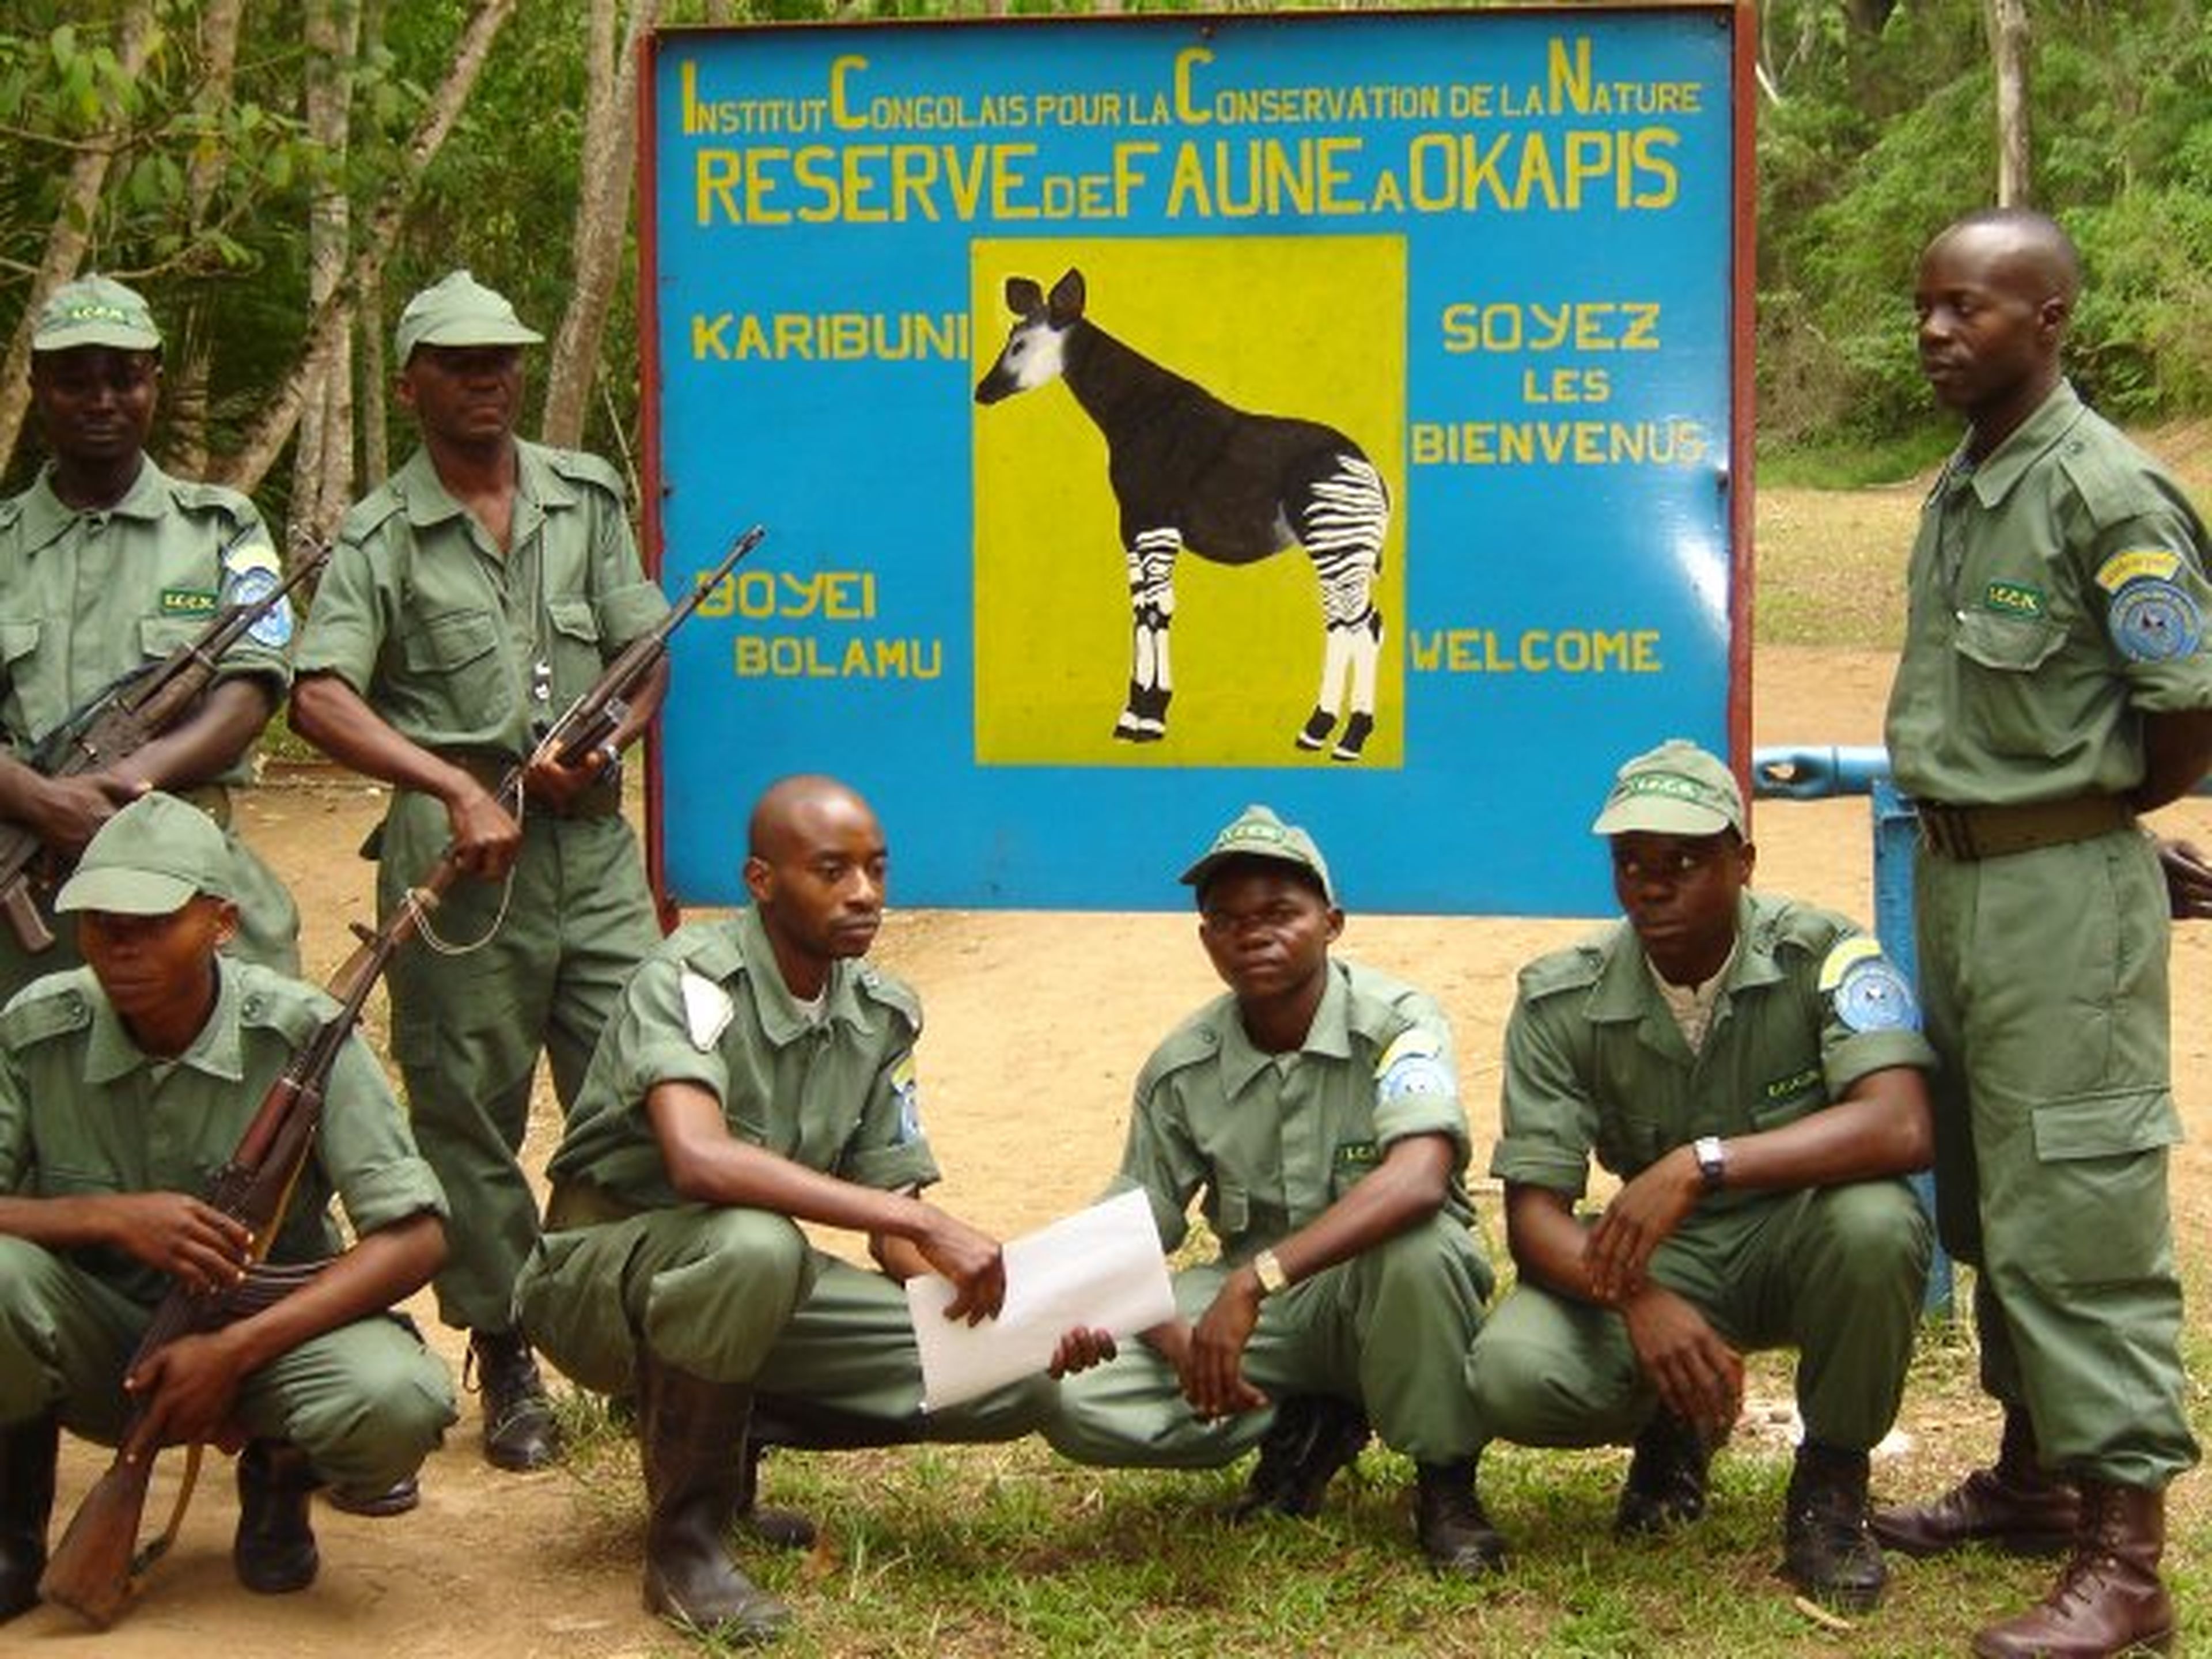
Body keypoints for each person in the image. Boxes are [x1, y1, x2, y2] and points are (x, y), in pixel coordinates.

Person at [1874, 207, 2211, 1659]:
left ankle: (2126, 1556)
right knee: (1983, 1187)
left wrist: (2082, 834)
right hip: (1957, 889)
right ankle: (2030, 1472)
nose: (1938, 332)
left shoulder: (2105, 491)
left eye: (1970, 310)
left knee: (2075, 1197)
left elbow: (2180, 724)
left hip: (2054, 898)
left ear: (2052, 319)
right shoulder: (1966, 477)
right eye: (1926, 308)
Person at [513, 775, 1064, 1643]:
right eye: (832, 871)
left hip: (741, 1287)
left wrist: (1009, 1308)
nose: (865, 894)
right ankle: (685, 1546)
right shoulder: (690, 979)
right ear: (761, 880)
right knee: (757, 1246)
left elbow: (895, 1219)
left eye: (877, 870)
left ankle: (725, 1433)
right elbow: (698, 1159)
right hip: (599, 1282)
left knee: (1006, 1374)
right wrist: (923, 1224)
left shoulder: (878, 1013)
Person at [289, 269, 670, 1474]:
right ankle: (504, 1349)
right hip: (461, 867)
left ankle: (631, 1344)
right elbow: (319, 695)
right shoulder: (381, 532)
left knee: (645, 1085)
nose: (488, 377)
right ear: (410, 385)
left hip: (592, 850)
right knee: (468, 1111)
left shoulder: (584, 495)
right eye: (458, 362)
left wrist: (609, 737)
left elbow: (646, 646)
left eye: (502, 357)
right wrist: (453, 783)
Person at [1467, 740, 1935, 1610]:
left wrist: (1703, 1163)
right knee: (1513, 1371)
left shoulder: (1823, 951)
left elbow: (1902, 1122)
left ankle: (1832, 1482)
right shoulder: (1559, 997)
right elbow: (1534, 1223)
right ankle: (1674, 1425)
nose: (1653, 884)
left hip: (1793, 1240)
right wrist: (1639, 1301)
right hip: (1663, 1260)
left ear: (1744, 861)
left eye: (1685, 860)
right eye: (1631, 861)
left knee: (1875, 1223)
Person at [0, 791, 453, 1618]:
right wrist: (110, 1217)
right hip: (105, 1343)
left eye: (150, 923)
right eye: (101, 923)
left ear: (222, 923)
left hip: (267, 1348)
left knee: (397, 1399)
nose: (119, 948)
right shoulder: (38, 1029)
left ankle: (277, 1477)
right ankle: (12, 1528)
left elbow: (416, 1239)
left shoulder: (303, 1035)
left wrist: (234, 1352)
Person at [1042, 804, 1501, 1578]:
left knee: (1419, 1251)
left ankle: (1446, 1484)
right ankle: (1301, 1421)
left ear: (1333, 922)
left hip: (1375, 1293)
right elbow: (1128, 1231)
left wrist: (1259, 1279)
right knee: (1077, 1400)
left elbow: (1420, 1180)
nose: (1253, 933)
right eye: (1227, 919)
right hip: (1270, 1318)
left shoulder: (1398, 1023)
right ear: (1206, 940)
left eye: (1280, 913)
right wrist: (1173, 1340)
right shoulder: (1183, 1066)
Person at [0, 274, 301, 1008]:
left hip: (189, 880)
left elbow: (250, 688)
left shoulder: (223, 527)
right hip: (29, 889)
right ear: (38, 386)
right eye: (76, 381)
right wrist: (43, 801)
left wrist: (124, 789)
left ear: (155, 384)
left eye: (124, 378)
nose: (102, 400)